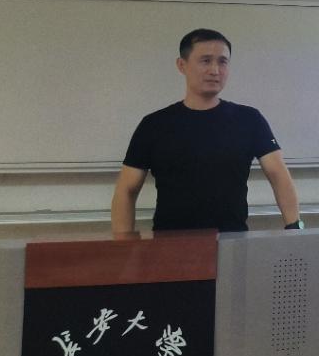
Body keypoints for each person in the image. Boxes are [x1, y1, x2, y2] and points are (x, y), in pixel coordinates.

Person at [111, 28, 301, 234]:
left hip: (232, 242)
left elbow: (278, 174)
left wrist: (296, 228)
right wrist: (123, 244)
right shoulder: (154, 125)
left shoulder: (249, 119)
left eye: (222, 62)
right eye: (205, 61)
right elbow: (126, 189)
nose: (215, 70)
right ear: (182, 65)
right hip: (170, 244)